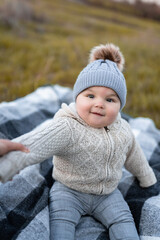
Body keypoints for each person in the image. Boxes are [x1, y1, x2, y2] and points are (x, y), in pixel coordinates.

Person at [0, 43, 157, 240]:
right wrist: (5, 166)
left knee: (123, 221)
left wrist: (147, 178)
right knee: (62, 225)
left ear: (120, 105)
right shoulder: (68, 127)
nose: (99, 103)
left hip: (108, 194)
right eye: (90, 95)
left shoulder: (123, 129)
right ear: (77, 97)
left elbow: (135, 156)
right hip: (69, 191)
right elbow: (32, 145)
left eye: (110, 100)